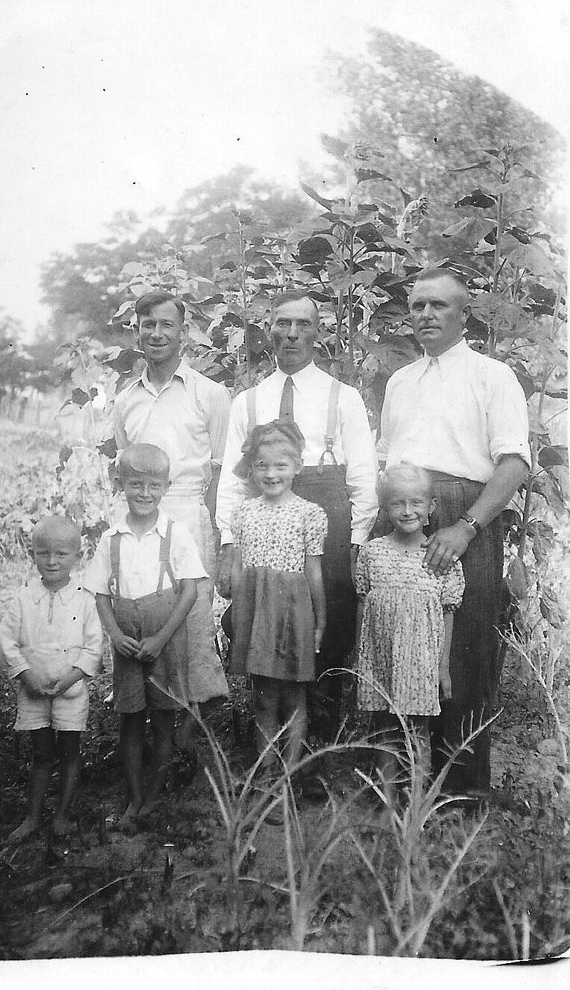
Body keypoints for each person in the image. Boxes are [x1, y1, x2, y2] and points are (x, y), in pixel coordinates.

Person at [377, 267, 530, 797]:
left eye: (438, 306)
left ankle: (461, 787)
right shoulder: (400, 382)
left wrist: (466, 527)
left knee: (464, 644)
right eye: (418, 306)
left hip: (468, 512)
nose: (425, 315)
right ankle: (399, 782)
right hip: (402, 510)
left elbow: (513, 465)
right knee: (399, 638)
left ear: (463, 315)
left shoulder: (493, 376)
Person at [217, 290, 378, 787]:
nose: (290, 334)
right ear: (269, 330)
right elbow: (231, 476)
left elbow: (365, 476)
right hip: (263, 524)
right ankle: (266, 759)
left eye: (301, 325)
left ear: (316, 332)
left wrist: (355, 544)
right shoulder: (250, 400)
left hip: (324, 513)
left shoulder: (342, 396)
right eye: (281, 324)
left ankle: (314, 759)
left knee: (324, 635)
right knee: (264, 636)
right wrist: (227, 544)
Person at [110, 291, 231, 747]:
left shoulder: (209, 394)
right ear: (137, 331)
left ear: (184, 332)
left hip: (188, 514)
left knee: (192, 621)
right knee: (143, 613)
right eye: (147, 325)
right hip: (140, 516)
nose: (156, 334)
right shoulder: (126, 400)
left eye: (166, 325)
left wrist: (219, 536)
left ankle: (193, 737)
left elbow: (220, 470)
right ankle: (144, 725)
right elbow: (128, 466)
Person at [86, 444, 205, 830]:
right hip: (127, 643)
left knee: (164, 719)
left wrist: (161, 638)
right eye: (136, 484)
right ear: (120, 483)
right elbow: (101, 594)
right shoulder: (111, 539)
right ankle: (134, 797)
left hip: (164, 638)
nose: (144, 493)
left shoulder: (175, 533)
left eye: (154, 485)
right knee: (131, 720)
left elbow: (189, 591)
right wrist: (115, 634)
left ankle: (153, 797)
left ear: (166, 486)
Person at [354, 465, 464, 808]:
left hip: (420, 662)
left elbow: (448, 612)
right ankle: (387, 800)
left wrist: (443, 667)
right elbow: (364, 603)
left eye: (415, 502)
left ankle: (418, 801)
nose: (407, 511)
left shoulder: (441, 557)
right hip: (381, 659)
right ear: (386, 508)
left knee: (418, 731)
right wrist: (361, 659)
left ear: (431, 506)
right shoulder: (372, 553)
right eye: (397, 503)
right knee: (385, 729)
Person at [229, 421, 327, 789]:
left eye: (280, 465)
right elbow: (239, 570)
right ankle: (267, 773)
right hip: (256, 612)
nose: (271, 474)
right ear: (251, 469)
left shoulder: (310, 513)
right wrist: (240, 617)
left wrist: (320, 620)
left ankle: (291, 773)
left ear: (298, 466)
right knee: (264, 697)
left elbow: (314, 572)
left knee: (294, 695)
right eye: (262, 466)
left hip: (293, 611)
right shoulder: (244, 513)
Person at [0, 515, 104, 843]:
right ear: (32, 554)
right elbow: (7, 640)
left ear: (77, 555)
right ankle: (32, 818)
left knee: (70, 751)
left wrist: (72, 678)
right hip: (33, 690)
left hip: (70, 691)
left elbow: (93, 646)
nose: (52, 561)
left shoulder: (85, 599)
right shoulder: (25, 598)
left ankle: (62, 815)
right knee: (42, 753)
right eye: (44, 553)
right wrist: (26, 674)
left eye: (61, 553)